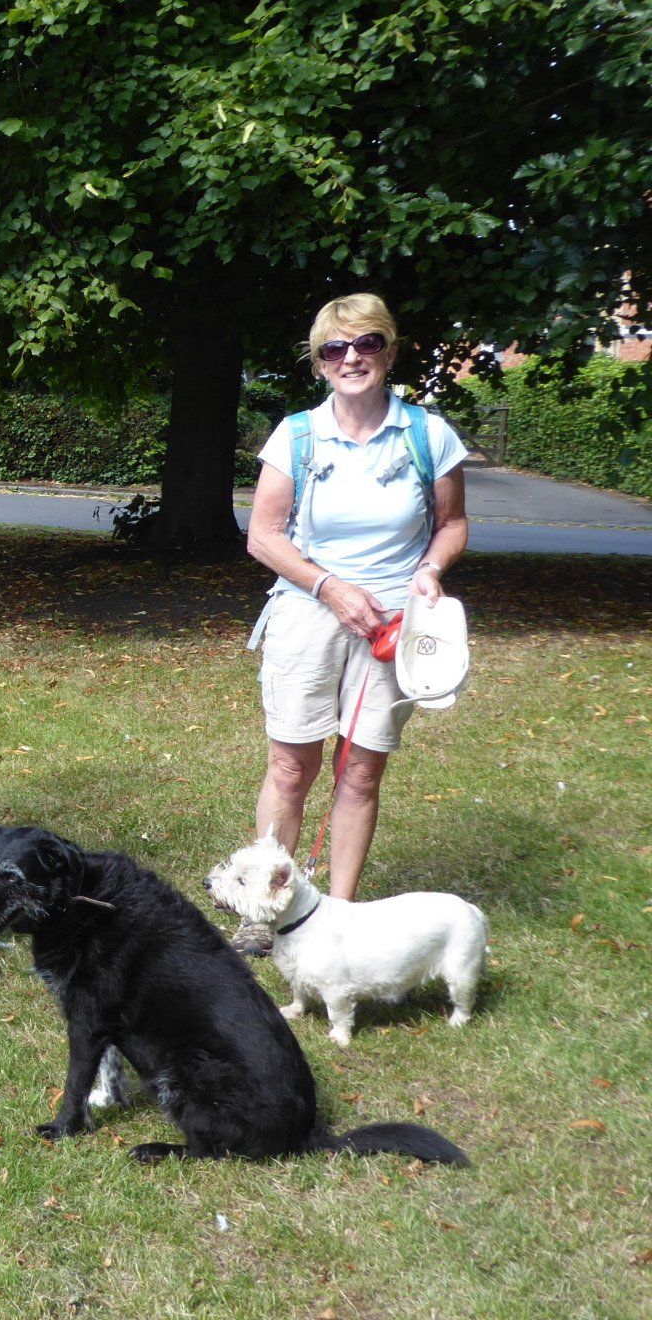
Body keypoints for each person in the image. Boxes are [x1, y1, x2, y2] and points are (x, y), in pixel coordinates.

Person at [241, 293, 469, 948]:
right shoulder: (298, 435)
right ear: (318, 364)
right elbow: (263, 536)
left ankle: (335, 918)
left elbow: (451, 525)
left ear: (390, 352)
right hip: (308, 611)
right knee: (290, 767)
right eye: (334, 348)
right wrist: (330, 587)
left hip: (395, 624)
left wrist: (430, 570)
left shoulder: (428, 434)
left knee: (361, 771)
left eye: (367, 343)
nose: (351, 358)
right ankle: (265, 912)